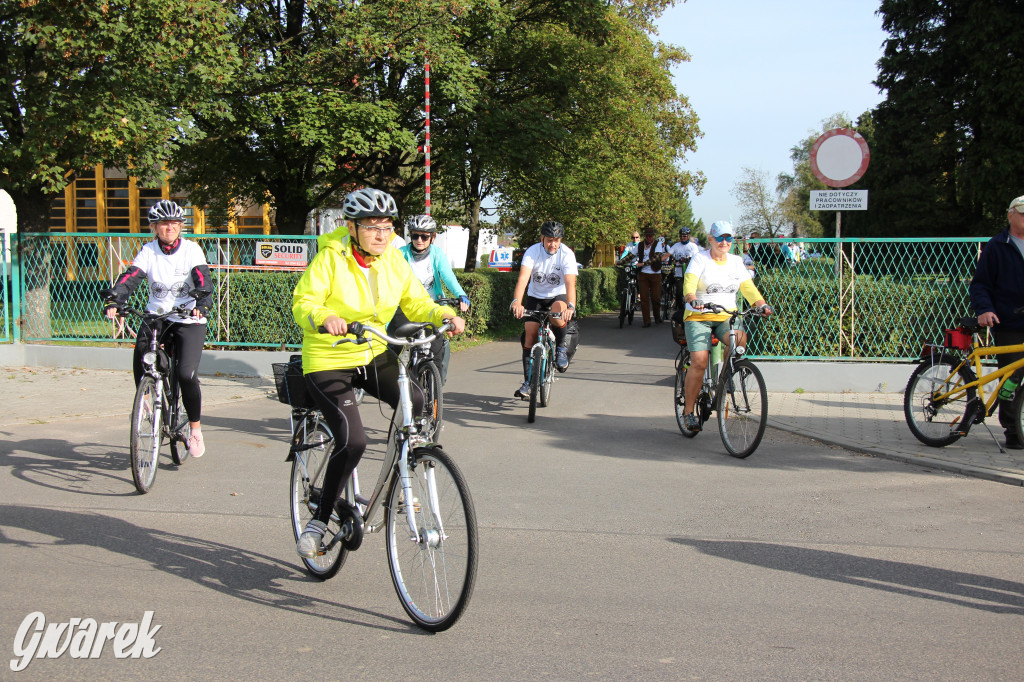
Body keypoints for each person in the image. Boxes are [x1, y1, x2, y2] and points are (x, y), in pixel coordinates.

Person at [291, 188, 465, 558]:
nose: (382, 234)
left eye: (387, 226)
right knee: (353, 441)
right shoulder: (330, 258)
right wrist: (326, 318)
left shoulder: (393, 260)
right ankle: (319, 522)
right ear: (352, 228)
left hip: (371, 350)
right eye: (372, 227)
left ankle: (400, 471)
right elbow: (304, 303)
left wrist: (443, 314)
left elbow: (415, 300)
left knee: (416, 401)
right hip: (328, 357)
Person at [102, 199, 213, 458]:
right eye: (164, 223)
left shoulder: (191, 250)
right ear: (155, 227)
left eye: (174, 222)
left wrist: (202, 303)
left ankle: (195, 429)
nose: (170, 227)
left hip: (188, 318)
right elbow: (131, 277)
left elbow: (202, 279)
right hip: (157, 317)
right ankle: (150, 400)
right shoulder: (149, 251)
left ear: (181, 226)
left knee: (186, 374)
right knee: (142, 357)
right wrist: (115, 299)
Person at [680, 220, 772, 432]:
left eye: (728, 238)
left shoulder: (736, 262)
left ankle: (726, 378)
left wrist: (762, 304)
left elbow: (748, 288)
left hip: (726, 316)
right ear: (711, 239)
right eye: (719, 237)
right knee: (700, 362)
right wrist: (692, 298)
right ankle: (688, 412)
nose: (724, 242)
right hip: (698, 316)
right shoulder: (700, 259)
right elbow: (689, 283)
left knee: (740, 340)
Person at [969, 194, 1024, 450]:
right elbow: (981, 284)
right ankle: (1012, 430)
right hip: (1010, 321)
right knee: (1011, 376)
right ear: (1010, 214)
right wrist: (985, 309)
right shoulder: (997, 246)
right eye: (1022, 213)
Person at [397, 214, 471, 382]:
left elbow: (448, 276)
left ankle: (434, 391)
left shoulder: (437, 254)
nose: (419, 240)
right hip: (409, 308)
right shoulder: (400, 254)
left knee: (436, 353)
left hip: (434, 306)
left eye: (424, 236)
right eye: (415, 235)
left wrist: (461, 294)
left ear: (433, 237)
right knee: (400, 348)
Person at [510, 221, 578, 399]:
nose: (552, 244)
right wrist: (517, 302)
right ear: (542, 239)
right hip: (536, 297)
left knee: (558, 314)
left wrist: (571, 306)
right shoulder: (533, 251)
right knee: (530, 333)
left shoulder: (566, 254)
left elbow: (571, 283)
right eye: (549, 240)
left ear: (560, 240)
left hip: (558, 296)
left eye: (556, 240)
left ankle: (561, 348)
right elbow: (523, 279)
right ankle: (528, 382)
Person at [623, 227, 669, 327]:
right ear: (645, 236)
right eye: (647, 236)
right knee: (644, 298)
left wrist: (643, 263)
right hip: (643, 274)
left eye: (650, 236)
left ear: (653, 236)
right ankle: (646, 321)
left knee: (656, 298)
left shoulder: (657, 245)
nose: (649, 238)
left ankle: (657, 317)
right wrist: (620, 262)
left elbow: (656, 258)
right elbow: (631, 255)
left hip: (655, 274)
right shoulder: (640, 245)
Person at [668, 227, 700, 308]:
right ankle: (680, 310)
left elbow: (695, 257)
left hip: (689, 272)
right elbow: (667, 255)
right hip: (679, 272)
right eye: (681, 236)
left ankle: (690, 307)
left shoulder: (693, 246)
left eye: (684, 236)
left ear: (688, 236)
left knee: (689, 291)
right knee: (679, 292)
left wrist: (686, 260)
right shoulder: (676, 245)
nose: (682, 237)